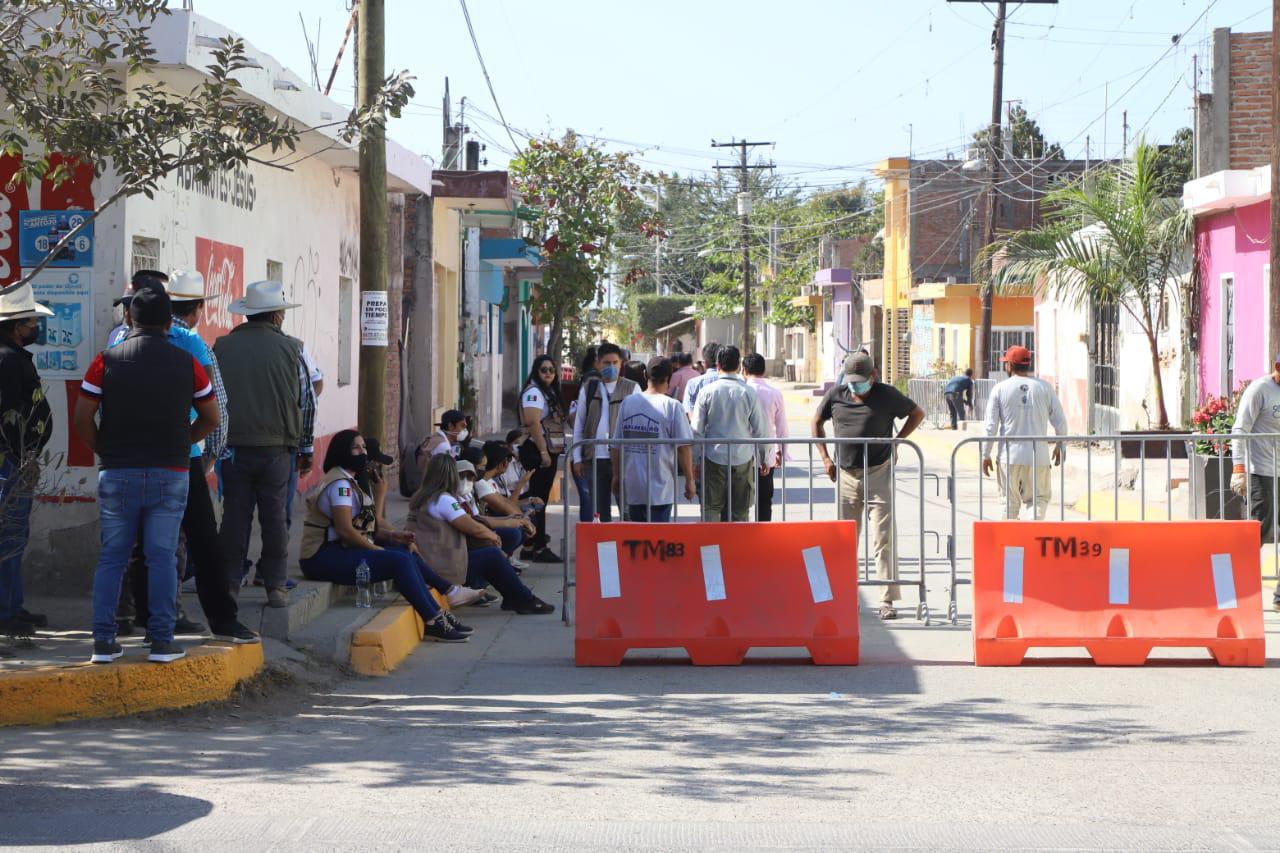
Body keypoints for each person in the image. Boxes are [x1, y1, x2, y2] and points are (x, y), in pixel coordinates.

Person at [75, 284, 219, 663]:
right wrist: (183, 442)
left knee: (113, 557)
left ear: (129, 318)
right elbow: (212, 417)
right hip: (170, 472)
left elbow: (82, 416)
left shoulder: (105, 361)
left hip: (118, 471)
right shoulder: (187, 363)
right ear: (168, 322)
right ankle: (160, 641)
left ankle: (103, 642)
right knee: (162, 556)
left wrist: (104, 449)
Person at [114, 270, 256, 643]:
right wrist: (199, 448)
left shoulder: (118, 343)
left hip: (133, 457)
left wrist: (109, 449)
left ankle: (148, 619)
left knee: (141, 541)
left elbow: (95, 409)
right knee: (202, 539)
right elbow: (215, 408)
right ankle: (221, 620)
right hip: (181, 456)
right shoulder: (191, 343)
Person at [297, 429, 473, 642]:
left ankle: (438, 612)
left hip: (338, 549)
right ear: (342, 451)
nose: (362, 452)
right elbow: (346, 531)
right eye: (356, 448)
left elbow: (362, 527)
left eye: (363, 447)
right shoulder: (340, 485)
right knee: (398, 561)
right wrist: (376, 549)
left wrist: (394, 537)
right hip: (320, 557)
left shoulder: (348, 480)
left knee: (403, 551)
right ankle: (433, 619)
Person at [213, 280, 316, 609]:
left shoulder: (221, 347)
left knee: (234, 517)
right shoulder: (293, 349)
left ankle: (229, 585)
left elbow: (212, 399)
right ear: (275, 316)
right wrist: (307, 449)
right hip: (277, 449)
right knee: (275, 518)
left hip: (233, 448)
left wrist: (216, 446)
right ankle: (275, 586)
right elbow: (307, 402)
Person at [813, 352, 925, 620]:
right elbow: (816, 421)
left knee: (882, 537)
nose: (855, 386)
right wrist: (825, 457)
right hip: (846, 475)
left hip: (878, 472)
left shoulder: (887, 395)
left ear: (873, 376)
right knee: (845, 540)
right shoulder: (836, 395)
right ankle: (847, 596)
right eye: (851, 381)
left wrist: (897, 441)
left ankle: (886, 599)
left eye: (860, 381)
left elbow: (917, 413)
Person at [409, 454, 555, 614]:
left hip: (431, 561)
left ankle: (513, 596)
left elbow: (474, 521)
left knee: (489, 553)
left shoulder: (423, 497)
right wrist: (493, 536)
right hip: (442, 565)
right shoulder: (444, 500)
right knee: (492, 555)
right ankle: (524, 599)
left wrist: (505, 525)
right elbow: (473, 527)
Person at [0, 286, 53, 636]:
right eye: (31, 321)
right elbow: (11, 415)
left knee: (14, 535)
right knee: (10, 535)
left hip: (16, 459)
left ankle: (12, 605)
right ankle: (5, 611)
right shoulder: (8, 360)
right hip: (11, 461)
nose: (36, 326)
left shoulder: (13, 357)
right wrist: (24, 455)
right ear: (16, 326)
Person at [981, 345, 1067, 521]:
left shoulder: (1000, 389)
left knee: (1008, 505)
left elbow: (991, 426)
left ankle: (1011, 538)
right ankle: (1032, 535)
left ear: (1009, 365)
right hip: (1038, 456)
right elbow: (1060, 421)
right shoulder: (1044, 388)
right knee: (1038, 501)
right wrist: (1061, 446)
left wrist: (985, 453)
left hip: (1009, 457)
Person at [610, 357, 697, 522]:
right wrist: (689, 480)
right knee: (658, 536)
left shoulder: (628, 403)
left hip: (634, 487)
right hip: (660, 490)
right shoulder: (672, 406)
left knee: (637, 534)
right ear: (669, 378)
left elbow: (616, 445)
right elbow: (683, 447)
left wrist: (616, 476)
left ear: (645, 375)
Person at [693, 345, 768, 522]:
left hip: (713, 458)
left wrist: (695, 460)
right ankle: (738, 541)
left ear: (717, 365)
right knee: (740, 512)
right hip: (742, 458)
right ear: (739, 366)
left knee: (711, 509)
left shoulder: (707, 392)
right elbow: (761, 430)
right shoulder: (748, 392)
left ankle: (711, 540)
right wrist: (764, 457)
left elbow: (696, 430)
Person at [1230, 356, 1280, 612]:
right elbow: (1240, 429)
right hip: (1261, 471)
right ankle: (1239, 592)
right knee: (1257, 531)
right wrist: (1239, 468)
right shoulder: (1260, 390)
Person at [571, 342, 639, 522]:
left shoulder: (632, 388)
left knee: (628, 512)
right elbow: (579, 425)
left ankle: (627, 540)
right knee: (600, 514)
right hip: (595, 459)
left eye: (615, 363)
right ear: (598, 364)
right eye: (607, 363)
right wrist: (577, 458)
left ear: (621, 363)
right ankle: (605, 541)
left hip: (623, 459)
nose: (611, 367)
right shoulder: (589, 388)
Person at [518, 354, 567, 562]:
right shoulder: (534, 392)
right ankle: (536, 546)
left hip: (546, 450)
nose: (548, 373)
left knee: (540, 499)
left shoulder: (548, 392)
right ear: (536, 371)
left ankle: (531, 545)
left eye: (551, 370)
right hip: (537, 451)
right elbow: (532, 422)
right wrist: (543, 452)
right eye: (544, 369)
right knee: (537, 500)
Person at [744, 352, 788, 522]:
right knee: (764, 500)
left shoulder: (741, 391)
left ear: (744, 370)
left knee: (739, 501)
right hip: (767, 455)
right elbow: (781, 426)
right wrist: (781, 451)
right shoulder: (774, 393)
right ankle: (762, 532)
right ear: (763, 370)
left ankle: (740, 533)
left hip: (741, 454)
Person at [569, 347, 600, 522]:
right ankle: (590, 534)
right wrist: (577, 458)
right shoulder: (591, 384)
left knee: (592, 501)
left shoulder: (588, 380)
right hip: (587, 454)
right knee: (589, 500)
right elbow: (577, 424)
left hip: (593, 454)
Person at [105, 269, 168, 348]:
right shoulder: (116, 334)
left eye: (134, 308)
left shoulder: (177, 338)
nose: (127, 313)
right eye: (126, 307)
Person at [682, 342, 722, 419]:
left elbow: (690, 413)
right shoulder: (734, 383)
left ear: (704, 363)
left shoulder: (693, 383)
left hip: (700, 425)